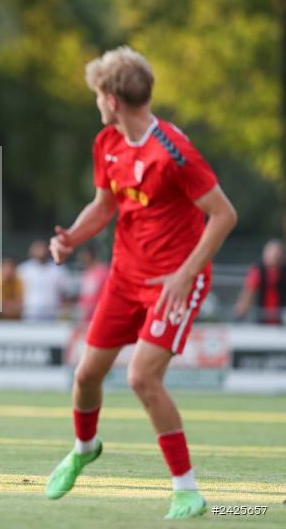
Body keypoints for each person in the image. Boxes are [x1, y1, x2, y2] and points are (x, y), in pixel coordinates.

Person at [43, 47, 237, 520]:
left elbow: (224, 215)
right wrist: (71, 238)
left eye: (97, 96)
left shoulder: (173, 151)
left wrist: (185, 274)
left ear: (111, 100)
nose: (97, 103)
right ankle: (85, 448)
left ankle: (186, 489)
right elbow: (104, 205)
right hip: (125, 276)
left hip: (174, 280)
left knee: (141, 377)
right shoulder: (107, 142)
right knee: (86, 375)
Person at [234, 238, 286, 324]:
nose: (275, 256)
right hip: (261, 318)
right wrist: (242, 309)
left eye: (277, 253)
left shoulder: (283, 272)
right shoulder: (257, 271)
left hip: (281, 319)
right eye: (271, 252)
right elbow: (248, 292)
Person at [17, 239, 70, 320]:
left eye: (43, 248)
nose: (41, 251)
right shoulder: (24, 269)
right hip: (29, 312)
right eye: (37, 248)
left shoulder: (58, 269)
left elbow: (65, 292)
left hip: (53, 313)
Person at [76, 245, 109, 324]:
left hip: (99, 316)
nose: (83, 258)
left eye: (85, 255)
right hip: (85, 318)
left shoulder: (102, 272)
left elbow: (106, 293)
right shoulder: (85, 274)